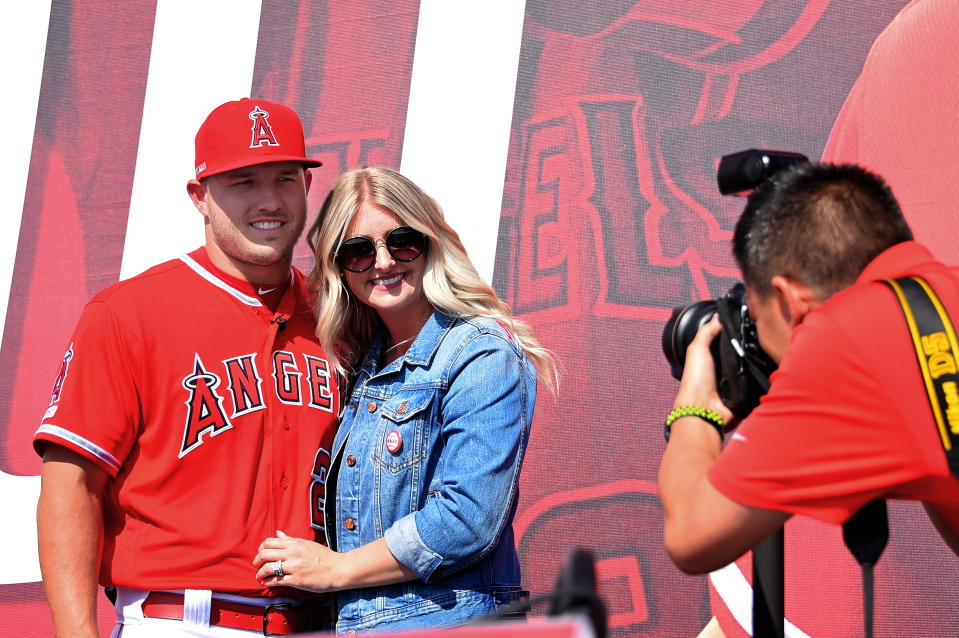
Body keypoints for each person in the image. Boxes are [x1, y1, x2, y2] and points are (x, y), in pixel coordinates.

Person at [34, 98, 340, 637]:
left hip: (323, 622)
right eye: (243, 181)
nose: (269, 200)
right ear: (200, 196)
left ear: (306, 187)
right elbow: (70, 487)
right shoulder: (128, 315)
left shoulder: (338, 319)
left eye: (285, 178)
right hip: (182, 619)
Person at [251, 166, 558, 633]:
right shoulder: (358, 368)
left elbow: (465, 520)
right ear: (338, 268)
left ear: (430, 240)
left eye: (401, 241)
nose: (384, 262)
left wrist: (335, 569)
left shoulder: (480, 351)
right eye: (358, 251)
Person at [657, 161, 959, 577]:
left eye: (758, 321)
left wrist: (696, 410)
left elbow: (691, 534)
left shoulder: (847, 340)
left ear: (789, 299)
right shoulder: (941, 304)